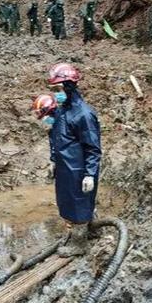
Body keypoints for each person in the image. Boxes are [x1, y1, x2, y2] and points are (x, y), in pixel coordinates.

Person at [46, 63, 101, 244]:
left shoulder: (83, 114)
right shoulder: (61, 111)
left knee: (79, 204)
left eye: (58, 88)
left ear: (68, 86)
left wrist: (89, 175)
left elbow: (92, 148)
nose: (56, 93)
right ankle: (88, 230)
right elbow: (57, 138)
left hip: (78, 170)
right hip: (64, 169)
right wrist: (53, 160)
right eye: (54, 89)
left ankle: (79, 244)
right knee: (67, 203)